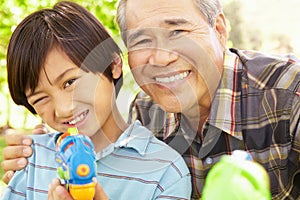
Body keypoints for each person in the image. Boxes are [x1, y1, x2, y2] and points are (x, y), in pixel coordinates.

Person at [2, 0, 300, 199]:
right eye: (142, 40)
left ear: (219, 30)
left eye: (178, 31)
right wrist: (33, 152)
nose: (161, 58)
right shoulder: (145, 113)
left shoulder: (289, 94)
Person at [1, 1, 191, 199]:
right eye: (40, 99)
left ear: (114, 63)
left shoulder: (166, 172)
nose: (64, 109)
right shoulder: (31, 160)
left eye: (70, 82)